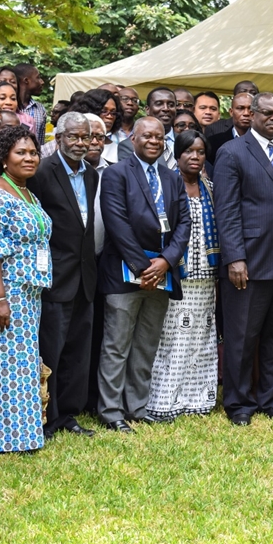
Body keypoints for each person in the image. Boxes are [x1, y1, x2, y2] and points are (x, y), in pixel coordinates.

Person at [214, 93, 273, 426]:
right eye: (267, 113)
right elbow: (225, 209)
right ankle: (238, 404)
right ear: (251, 114)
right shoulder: (232, 152)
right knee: (242, 337)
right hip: (250, 261)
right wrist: (235, 257)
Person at [96, 118, 190, 432]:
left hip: (162, 273)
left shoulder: (171, 177)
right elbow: (117, 224)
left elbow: (184, 224)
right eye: (147, 135)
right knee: (117, 344)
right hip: (124, 272)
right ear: (133, 138)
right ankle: (111, 411)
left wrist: (166, 262)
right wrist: (143, 267)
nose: (153, 141)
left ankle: (136, 408)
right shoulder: (116, 173)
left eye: (159, 137)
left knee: (147, 344)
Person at [0, 125, 51, 453]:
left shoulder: (27, 193)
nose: (29, 158)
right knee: (5, 363)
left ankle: (24, 436)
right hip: (7, 291)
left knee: (24, 363)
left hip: (31, 290)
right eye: (21, 152)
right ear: (3, 158)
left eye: (33, 152)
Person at [26, 113, 99, 438]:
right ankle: (48, 417)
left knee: (77, 352)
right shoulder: (42, 171)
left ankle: (69, 414)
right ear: (59, 137)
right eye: (74, 137)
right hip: (55, 276)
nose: (80, 143)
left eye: (85, 137)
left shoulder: (93, 175)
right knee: (51, 351)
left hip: (85, 277)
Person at [146, 130, 219, 421]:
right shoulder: (166, 184)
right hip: (176, 273)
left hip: (206, 275)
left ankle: (197, 399)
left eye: (200, 152)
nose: (195, 157)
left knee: (201, 339)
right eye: (189, 151)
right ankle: (164, 402)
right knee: (172, 339)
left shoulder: (210, 186)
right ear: (177, 154)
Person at [207, 92, 252, 164]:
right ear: (231, 112)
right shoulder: (214, 143)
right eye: (240, 108)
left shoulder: (264, 141)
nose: (246, 113)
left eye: (250, 109)